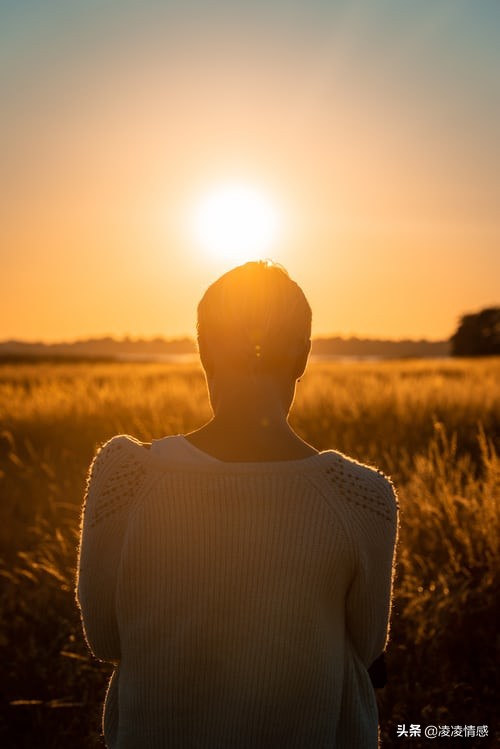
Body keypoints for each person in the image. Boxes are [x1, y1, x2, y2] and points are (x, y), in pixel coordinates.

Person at [77, 260, 398, 748]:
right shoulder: (360, 495)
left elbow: (104, 640)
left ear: (203, 350)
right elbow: (368, 645)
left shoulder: (127, 475)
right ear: (303, 357)